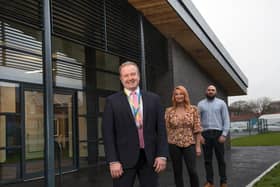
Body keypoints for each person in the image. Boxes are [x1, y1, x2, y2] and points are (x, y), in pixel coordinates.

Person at [102, 61, 168, 187]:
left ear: (138, 76)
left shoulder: (154, 99)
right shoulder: (112, 101)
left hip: (150, 159)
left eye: (133, 74)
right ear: (121, 79)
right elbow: (108, 134)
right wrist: (113, 161)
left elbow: (161, 130)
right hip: (123, 160)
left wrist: (162, 155)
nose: (130, 78)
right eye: (126, 75)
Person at [165, 85, 202, 187]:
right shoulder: (169, 111)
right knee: (177, 172)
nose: (179, 96)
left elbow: (197, 129)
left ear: (185, 95)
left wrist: (198, 146)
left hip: (189, 143)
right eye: (176, 94)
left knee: (192, 171)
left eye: (181, 93)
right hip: (173, 144)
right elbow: (167, 129)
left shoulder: (193, 109)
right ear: (174, 96)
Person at [197, 85, 230, 187]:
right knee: (207, 160)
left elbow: (226, 119)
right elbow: (197, 121)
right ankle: (210, 182)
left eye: (213, 90)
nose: (210, 91)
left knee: (221, 160)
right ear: (206, 91)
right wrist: (200, 136)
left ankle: (223, 182)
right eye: (209, 90)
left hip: (218, 134)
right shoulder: (200, 104)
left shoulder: (221, 103)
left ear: (215, 92)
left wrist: (224, 134)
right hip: (205, 135)